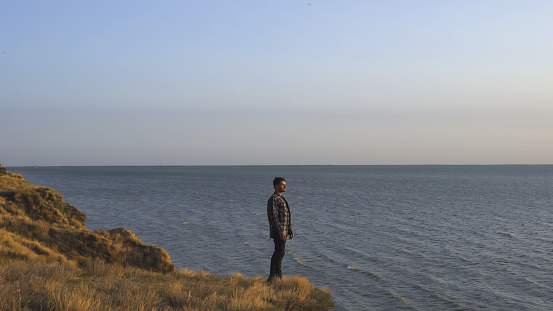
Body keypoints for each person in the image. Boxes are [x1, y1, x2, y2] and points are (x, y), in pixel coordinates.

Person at [267, 177, 294, 282]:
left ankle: (272, 276)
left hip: (283, 231)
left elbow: (286, 216)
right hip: (279, 231)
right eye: (283, 184)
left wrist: (290, 230)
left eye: (285, 184)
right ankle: (278, 277)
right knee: (280, 253)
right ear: (276, 186)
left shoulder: (281, 198)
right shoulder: (274, 199)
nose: (285, 186)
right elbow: (273, 216)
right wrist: (280, 231)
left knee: (278, 252)